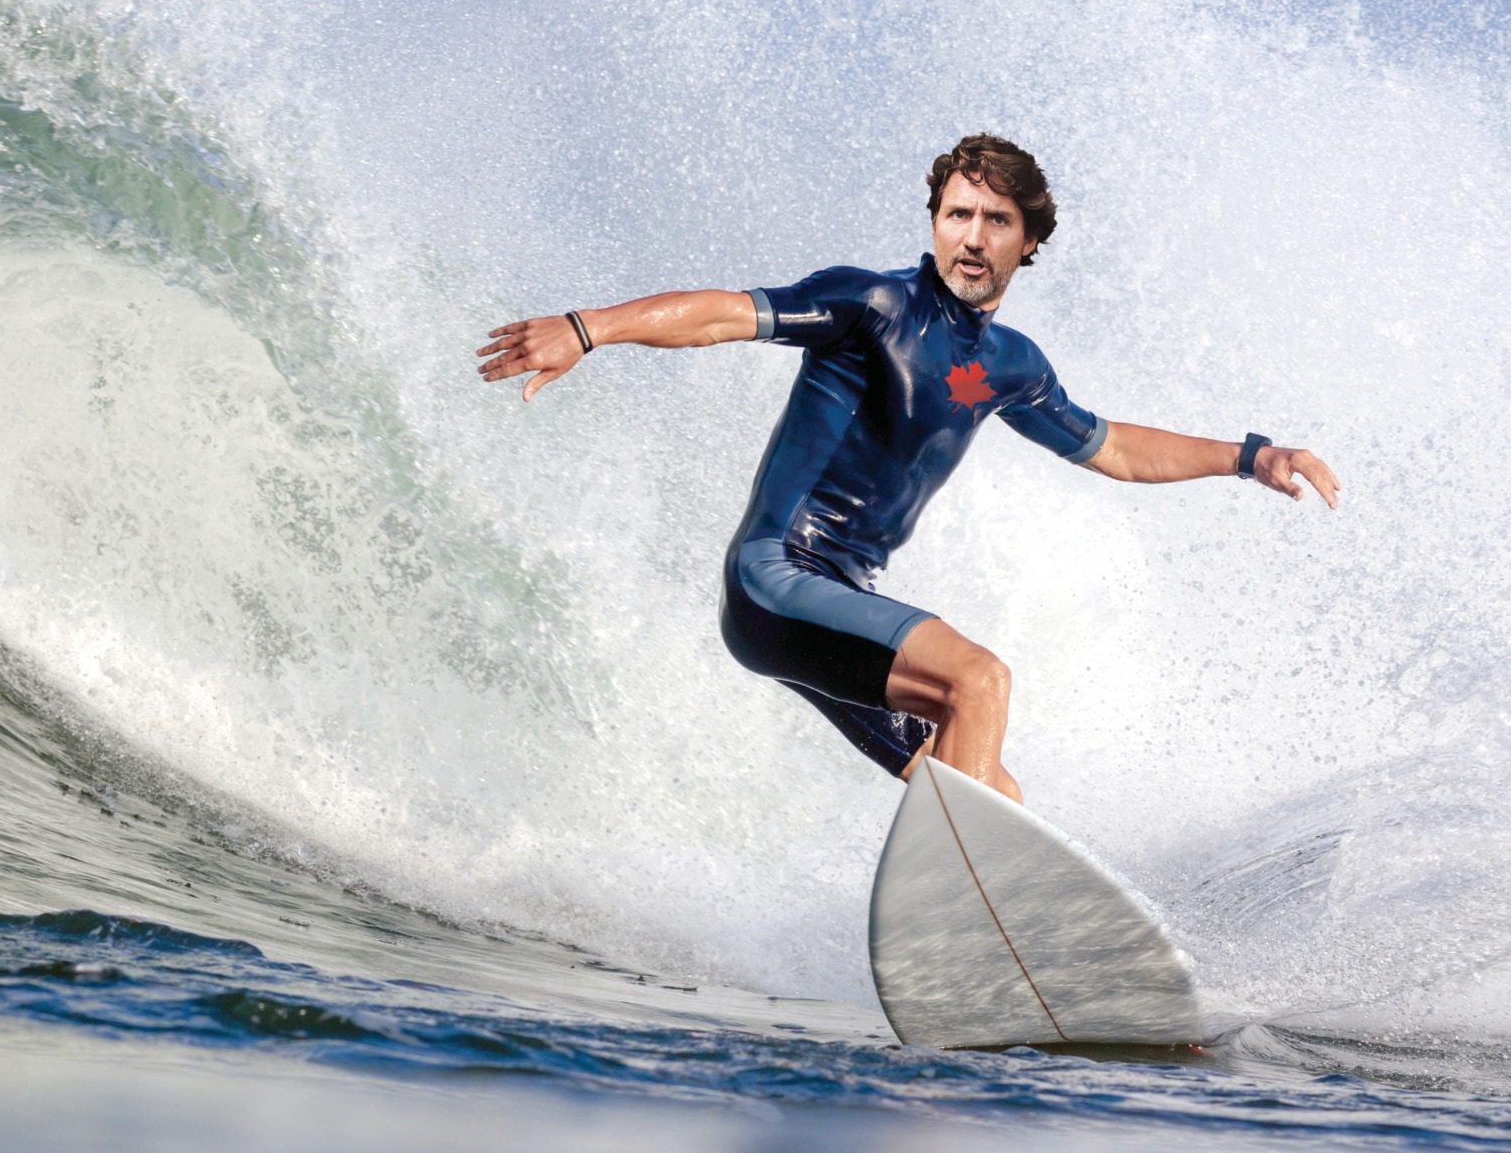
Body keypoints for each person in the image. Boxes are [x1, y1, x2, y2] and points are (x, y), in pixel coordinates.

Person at [478, 134, 1340, 804]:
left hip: (843, 606)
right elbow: (722, 316)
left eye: (996, 221)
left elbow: (1110, 445)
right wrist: (589, 327)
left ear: (1030, 240)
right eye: (957, 215)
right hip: (777, 579)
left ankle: (1027, 971)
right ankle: (965, 940)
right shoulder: (875, 303)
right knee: (980, 680)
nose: (971, 239)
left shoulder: (1010, 363)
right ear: (934, 220)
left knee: (991, 789)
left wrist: (1248, 456)